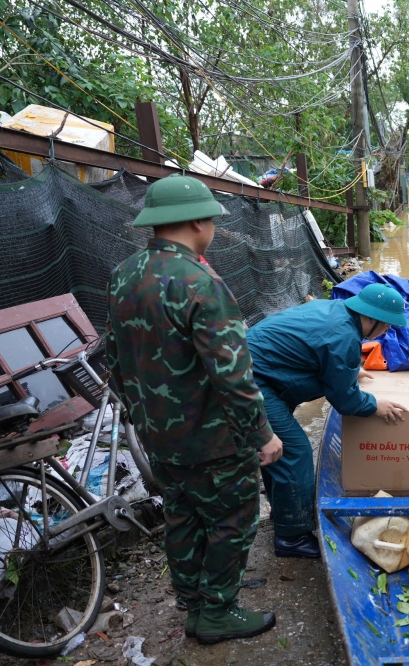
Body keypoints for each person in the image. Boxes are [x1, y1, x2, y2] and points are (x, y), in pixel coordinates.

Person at [106, 174, 283, 645]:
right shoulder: (201, 282)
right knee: (232, 520)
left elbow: (114, 357)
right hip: (213, 439)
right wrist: (262, 435)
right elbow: (232, 375)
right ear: (198, 223)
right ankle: (218, 613)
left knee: (182, 514)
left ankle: (194, 596)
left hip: (159, 436)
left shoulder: (125, 272)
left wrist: (144, 416)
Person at [246, 283, 409, 558]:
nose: (387, 332)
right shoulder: (344, 336)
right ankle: (292, 537)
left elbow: (320, 353)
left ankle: (284, 511)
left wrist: (346, 371)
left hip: (257, 366)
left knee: (280, 448)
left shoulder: (337, 311)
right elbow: (345, 402)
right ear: (369, 318)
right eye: (387, 326)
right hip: (253, 379)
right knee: (293, 449)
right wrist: (374, 406)